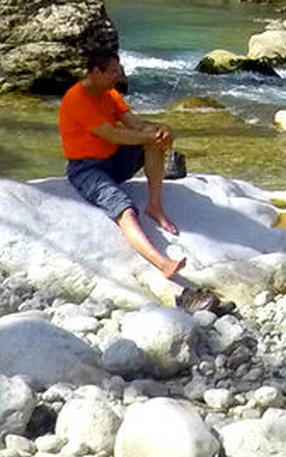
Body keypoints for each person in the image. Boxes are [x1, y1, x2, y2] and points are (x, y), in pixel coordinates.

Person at [60, 47, 190, 288]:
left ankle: (155, 205)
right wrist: (149, 135)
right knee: (126, 209)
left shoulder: (110, 94)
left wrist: (161, 130)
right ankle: (163, 263)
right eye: (112, 72)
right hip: (86, 169)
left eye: (118, 71)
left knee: (152, 140)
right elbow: (112, 135)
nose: (117, 76)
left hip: (114, 160)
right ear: (95, 72)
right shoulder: (76, 98)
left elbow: (135, 124)